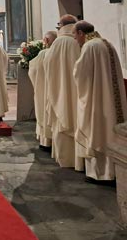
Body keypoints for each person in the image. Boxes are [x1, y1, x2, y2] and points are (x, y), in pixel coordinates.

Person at [73, 21, 127, 183]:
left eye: (75, 35)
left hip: (97, 98)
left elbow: (80, 74)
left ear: (81, 33)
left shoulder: (90, 46)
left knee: (98, 130)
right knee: (111, 131)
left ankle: (100, 174)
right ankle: (114, 172)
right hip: (110, 98)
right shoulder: (107, 44)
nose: (75, 39)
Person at [43, 14, 82, 169]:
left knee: (63, 118)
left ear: (61, 25)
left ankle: (66, 159)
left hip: (60, 91)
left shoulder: (57, 43)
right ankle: (80, 161)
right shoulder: (80, 41)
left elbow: (47, 65)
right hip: (79, 92)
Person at [28, 30, 57, 150]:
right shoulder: (60, 52)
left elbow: (33, 72)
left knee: (45, 114)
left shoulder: (43, 54)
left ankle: (46, 142)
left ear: (46, 40)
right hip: (57, 92)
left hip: (44, 89)